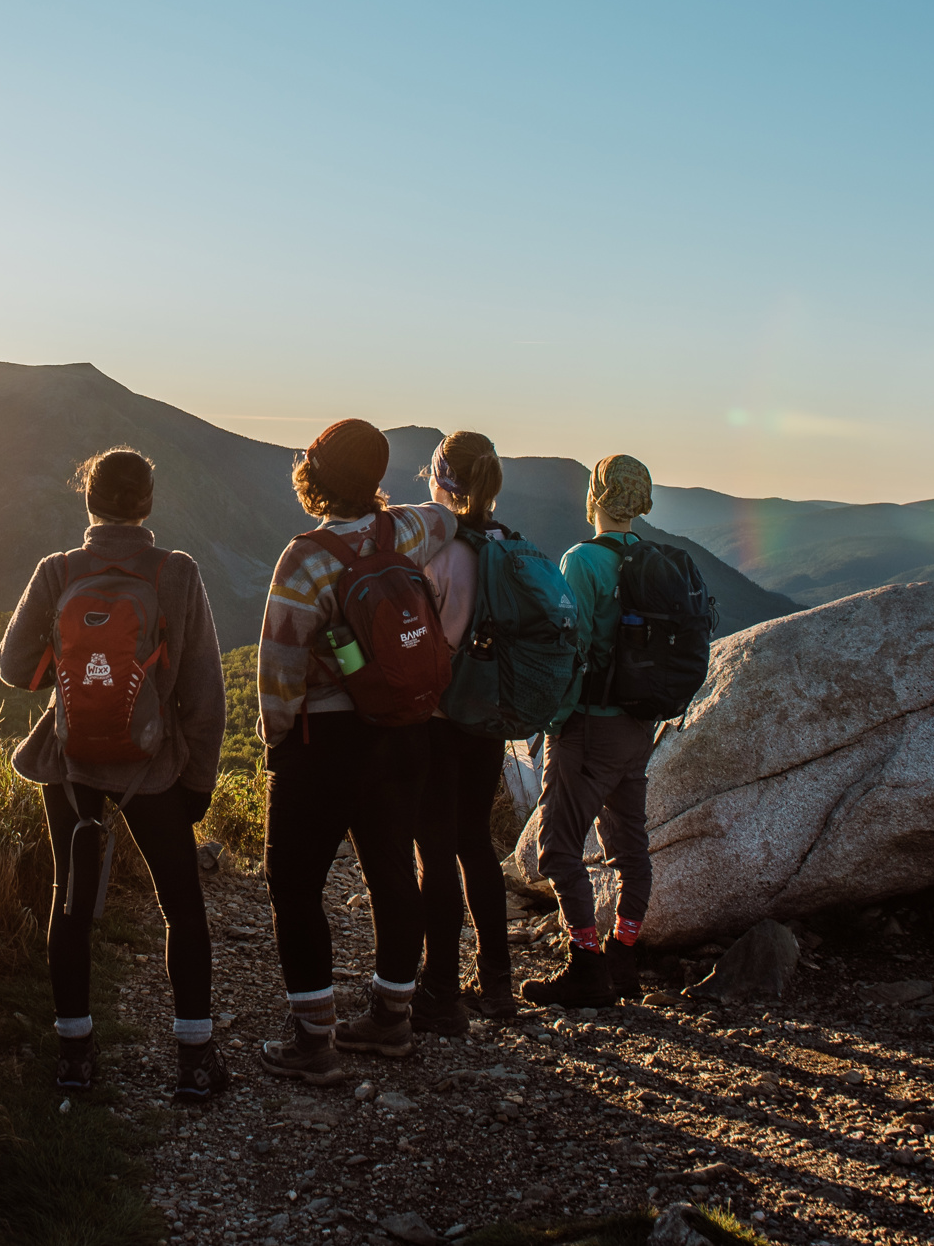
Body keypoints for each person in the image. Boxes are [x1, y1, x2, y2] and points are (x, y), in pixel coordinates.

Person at [0, 446, 232, 1100]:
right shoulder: (174, 573)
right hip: (153, 768)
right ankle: (194, 1061)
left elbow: (15, 670)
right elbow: (204, 692)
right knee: (180, 905)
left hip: (69, 764)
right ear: (147, 503)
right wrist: (200, 782)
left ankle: (74, 1059)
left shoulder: (58, 571)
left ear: (89, 500)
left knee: (69, 904)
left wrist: (68, 662)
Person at [253, 419, 457, 1081]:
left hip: (325, 743)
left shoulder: (304, 557)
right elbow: (447, 518)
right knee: (393, 873)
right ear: (372, 481)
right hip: (403, 732)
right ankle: (389, 1020)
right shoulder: (403, 531)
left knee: (294, 884)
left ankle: (313, 1042)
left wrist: (275, 739)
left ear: (311, 475)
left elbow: (278, 666)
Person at [521, 453, 659, 1009]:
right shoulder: (655, 561)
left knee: (557, 850)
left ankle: (586, 966)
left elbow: (567, 647)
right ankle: (624, 958)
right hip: (637, 725)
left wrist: (552, 719)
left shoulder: (582, 561)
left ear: (594, 498)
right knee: (630, 846)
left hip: (587, 727)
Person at [410, 431, 519, 1033]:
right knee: (477, 843)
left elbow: (423, 644)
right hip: (490, 717)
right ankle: (497, 981)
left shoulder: (440, 555)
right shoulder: (511, 547)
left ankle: (440, 988)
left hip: (437, 717)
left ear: (443, 480)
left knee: (436, 849)